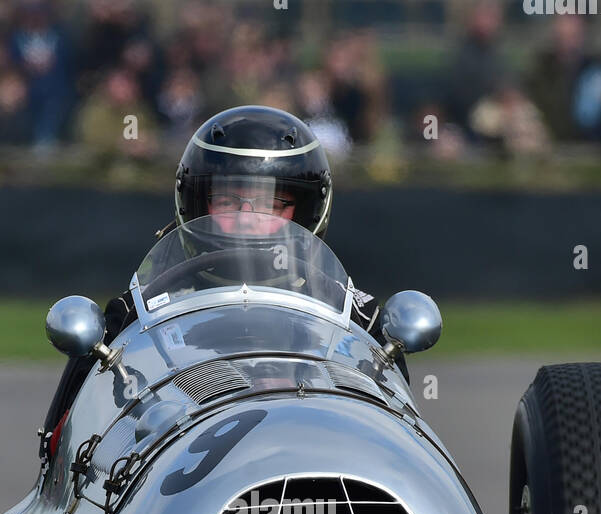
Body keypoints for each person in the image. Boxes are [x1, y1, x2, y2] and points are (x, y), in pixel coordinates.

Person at [43, 105, 384, 449]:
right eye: (226, 200)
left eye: (272, 203)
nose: (247, 218)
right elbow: (66, 456)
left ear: (308, 210)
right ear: (196, 203)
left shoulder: (360, 319)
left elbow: (393, 436)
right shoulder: (132, 316)